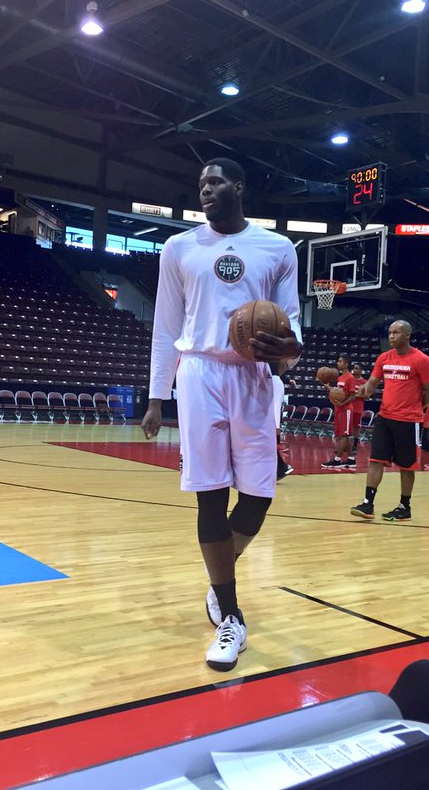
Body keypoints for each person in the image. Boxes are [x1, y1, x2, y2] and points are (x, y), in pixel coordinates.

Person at [141, 157, 302, 671]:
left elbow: (292, 332)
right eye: (200, 185)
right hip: (200, 373)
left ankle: (219, 574)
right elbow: (165, 328)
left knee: (259, 496)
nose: (205, 190)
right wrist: (155, 397)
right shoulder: (179, 248)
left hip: (255, 377)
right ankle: (230, 615)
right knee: (209, 495)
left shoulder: (277, 248)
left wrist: (284, 349)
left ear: (239, 187)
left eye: (215, 182)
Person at [350, 320, 429, 521]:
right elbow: (371, 386)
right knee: (375, 461)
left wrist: (415, 407)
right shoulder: (383, 358)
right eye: (390, 333)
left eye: (396, 333)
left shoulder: (421, 360)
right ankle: (367, 504)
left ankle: (404, 506)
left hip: (409, 421)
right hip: (385, 418)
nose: (391, 336)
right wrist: (363, 391)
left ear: (407, 335)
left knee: (407, 466)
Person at [320, 355, 357, 471]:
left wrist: (343, 403)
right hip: (339, 409)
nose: (338, 363)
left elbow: (353, 395)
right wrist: (329, 388)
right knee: (341, 435)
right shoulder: (340, 378)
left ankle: (337, 459)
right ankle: (351, 459)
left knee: (344, 435)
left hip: (346, 409)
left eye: (340, 361)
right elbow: (338, 393)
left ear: (346, 364)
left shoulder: (350, 378)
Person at [271, 363, 294, 480]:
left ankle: (281, 467)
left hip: (272, 381)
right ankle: (280, 468)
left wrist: (276, 428)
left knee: (270, 437)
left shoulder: (275, 381)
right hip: (267, 381)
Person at [351, 362, 366, 456]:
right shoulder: (350, 380)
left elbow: (365, 396)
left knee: (356, 428)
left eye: (357, 368)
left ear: (361, 370)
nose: (355, 370)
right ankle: (346, 446)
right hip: (349, 406)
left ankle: (355, 446)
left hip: (357, 408)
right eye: (354, 368)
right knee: (348, 427)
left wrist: (355, 395)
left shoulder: (364, 382)